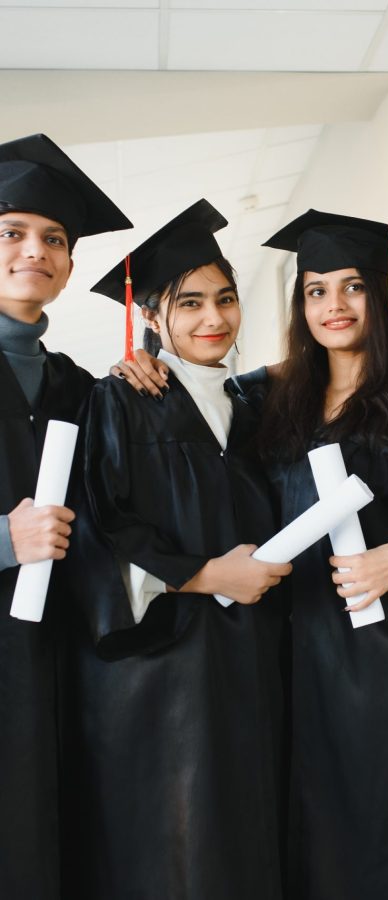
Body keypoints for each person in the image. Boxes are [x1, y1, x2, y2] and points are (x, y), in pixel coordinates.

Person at [240, 209, 388, 900]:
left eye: (352, 287)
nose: (334, 305)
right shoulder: (271, 407)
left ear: (384, 296)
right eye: (317, 290)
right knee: (319, 845)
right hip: (298, 659)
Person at [61, 199, 291, 900]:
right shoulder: (121, 400)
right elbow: (98, 531)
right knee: (175, 841)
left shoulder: (256, 407)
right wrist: (201, 575)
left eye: (224, 299)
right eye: (188, 304)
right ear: (153, 317)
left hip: (249, 657)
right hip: (162, 669)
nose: (212, 319)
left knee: (250, 829)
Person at [0, 132, 132, 899]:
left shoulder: (79, 389)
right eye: (12, 233)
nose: (34, 251)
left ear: (71, 266)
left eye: (54, 238)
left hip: (58, 668)